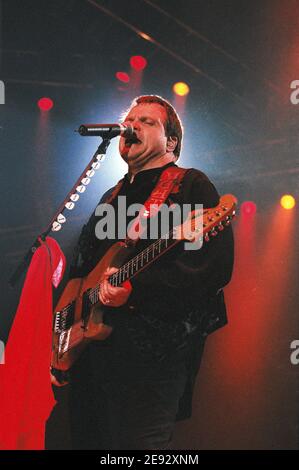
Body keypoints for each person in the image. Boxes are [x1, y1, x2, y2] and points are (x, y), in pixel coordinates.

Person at [65, 95, 234, 450]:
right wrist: (67, 320)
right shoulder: (111, 196)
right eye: (130, 120)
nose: (133, 126)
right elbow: (82, 271)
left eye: (147, 121)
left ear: (171, 142)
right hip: (94, 361)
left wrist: (136, 292)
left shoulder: (189, 185)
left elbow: (212, 269)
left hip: (151, 357)